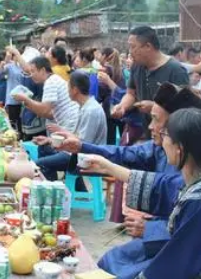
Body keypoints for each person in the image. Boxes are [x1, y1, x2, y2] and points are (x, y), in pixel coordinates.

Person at [54, 83, 201, 279]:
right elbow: (156, 181)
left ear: (179, 145)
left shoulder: (195, 199)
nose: (150, 127)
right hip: (164, 242)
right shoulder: (179, 166)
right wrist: (90, 153)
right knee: (111, 259)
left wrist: (150, 229)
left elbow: (180, 256)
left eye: (157, 122)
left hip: (169, 250)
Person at [83, 108, 201, 279]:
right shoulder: (190, 183)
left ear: (179, 149)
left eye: (165, 134)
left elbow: (177, 261)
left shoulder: (196, 201)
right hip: (171, 254)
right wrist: (107, 166)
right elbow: (157, 185)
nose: (160, 137)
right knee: (112, 260)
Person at [32, 71, 107, 182]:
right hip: (75, 152)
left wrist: (62, 133)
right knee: (44, 148)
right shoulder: (83, 106)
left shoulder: (91, 110)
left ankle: (51, 191)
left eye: (68, 88)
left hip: (84, 158)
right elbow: (76, 137)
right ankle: (60, 186)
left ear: (75, 90)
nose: (67, 92)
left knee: (38, 165)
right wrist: (50, 140)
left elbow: (84, 144)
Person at [112, 26, 189, 134]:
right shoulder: (137, 66)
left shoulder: (176, 70)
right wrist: (122, 106)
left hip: (171, 137)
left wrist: (154, 106)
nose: (130, 52)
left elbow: (185, 110)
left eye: (133, 47)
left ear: (148, 46)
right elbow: (131, 94)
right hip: (149, 133)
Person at [13, 56, 79, 135]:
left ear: (43, 70)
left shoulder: (50, 82)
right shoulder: (53, 79)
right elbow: (50, 114)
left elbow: (44, 111)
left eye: (33, 71)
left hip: (69, 126)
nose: (31, 75)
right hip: (69, 125)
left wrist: (26, 99)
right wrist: (27, 102)